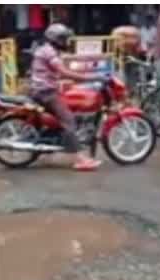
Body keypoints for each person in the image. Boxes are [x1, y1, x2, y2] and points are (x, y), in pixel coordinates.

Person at [30, 24, 105, 171]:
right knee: (68, 120)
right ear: (55, 39)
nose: (65, 42)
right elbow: (63, 71)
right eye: (63, 39)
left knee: (69, 108)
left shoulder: (50, 51)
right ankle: (80, 160)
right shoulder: (49, 52)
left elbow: (61, 69)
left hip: (45, 90)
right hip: (45, 92)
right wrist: (89, 78)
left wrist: (89, 66)